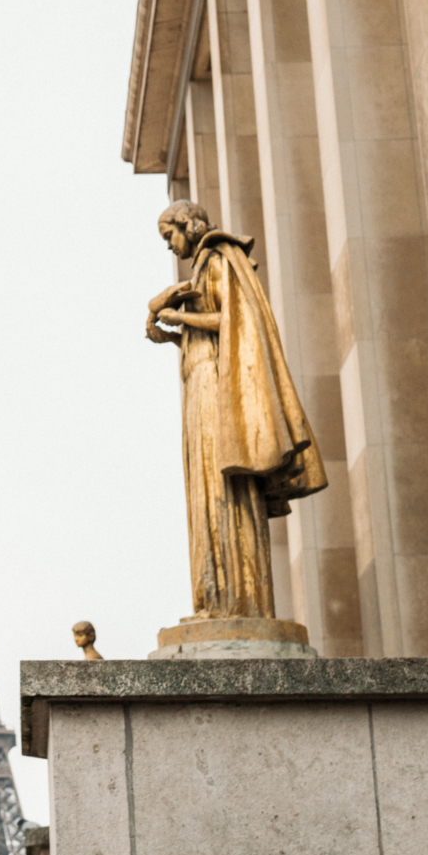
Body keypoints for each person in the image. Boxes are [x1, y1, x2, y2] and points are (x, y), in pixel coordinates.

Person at [146, 200, 325, 619]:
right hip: (201, 387)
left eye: (168, 235)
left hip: (214, 390)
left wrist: (178, 316)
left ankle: (237, 599)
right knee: (208, 489)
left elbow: (233, 319)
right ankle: (214, 596)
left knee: (222, 485)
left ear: (187, 226)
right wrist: (175, 335)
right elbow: (214, 331)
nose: (169, 246)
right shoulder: (202, 266)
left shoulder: (218, 257)